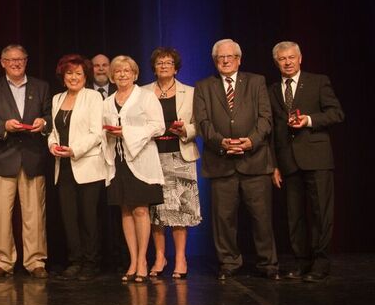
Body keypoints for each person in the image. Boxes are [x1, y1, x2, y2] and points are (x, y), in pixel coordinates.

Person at [194, 38, 279, 280]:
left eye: (230, 56)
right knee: (224, 220)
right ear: (214, 61)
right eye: (220, 57)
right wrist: (221, 143)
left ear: (239, 59)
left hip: (255, 160)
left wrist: (250, 141)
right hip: (221, 163)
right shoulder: (204, 86)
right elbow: (202, 123)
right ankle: (229, 263)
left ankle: (267, 264)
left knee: (261, 217)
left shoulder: (256, 81)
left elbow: (266, 118)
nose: (225, 60)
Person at [269, 41, 344, 282]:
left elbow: (336, 113)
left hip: (317, 157)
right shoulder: (271, 90)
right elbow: (272, 131)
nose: (288, 62)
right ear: (276, 62)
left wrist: (309, 120)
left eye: (291, 57)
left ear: (300, 59)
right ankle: (302, 262)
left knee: (321, 212)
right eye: (282, 59)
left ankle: (320, 263)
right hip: (288, 161)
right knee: (295, 215)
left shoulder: (318, 81)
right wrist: (274, 165)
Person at [0, 44, 52, 279]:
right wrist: (4, 126)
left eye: (20, 59)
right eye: (11, 60)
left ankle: (35, 260)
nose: (16, 63)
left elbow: (51, 115)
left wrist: (44, 123)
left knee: (34, 214)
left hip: (32, 157)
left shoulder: (41, 87)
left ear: (26, 61)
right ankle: (2, 260)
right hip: (1, 157)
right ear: (2, 63)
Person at [103, 55, 165, 283]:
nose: (122, 74)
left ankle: (142, 261)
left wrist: (127, 131)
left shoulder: (146, 97)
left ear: (135, 74)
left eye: (127, 71)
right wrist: (109, 132)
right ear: (112, 76)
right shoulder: (108, 101)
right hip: (118, 160)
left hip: (140, 160)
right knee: (126, 211)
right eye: (118, 71)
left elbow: (158, 126)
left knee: (140, 210)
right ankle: (132, 259)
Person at [141, 48, 201, 280]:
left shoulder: (191, 92)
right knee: (156, 211)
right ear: (154, 67)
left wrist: (185, 129)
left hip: (180, 155)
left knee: (180, 211)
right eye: (159, 63)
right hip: (152, 157)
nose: (164, 66)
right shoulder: (143, 92)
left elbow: (199, 124)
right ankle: (159, 256)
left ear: (176, 68)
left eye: (168, 63)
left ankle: (180, 258)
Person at [47, 55, 105, 280]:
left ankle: (91, 262)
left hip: (87, 163)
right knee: (69, 216)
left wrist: (74, 149)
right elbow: (53, 130)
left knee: (88, 216)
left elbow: (97, 133)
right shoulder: (57, 98)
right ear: (63, 77)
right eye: (69, 73)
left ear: (85, 76)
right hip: (63, 166)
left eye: (78, 73)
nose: (73, 77)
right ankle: (75, 260)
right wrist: (52, 145)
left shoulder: (93, 97)